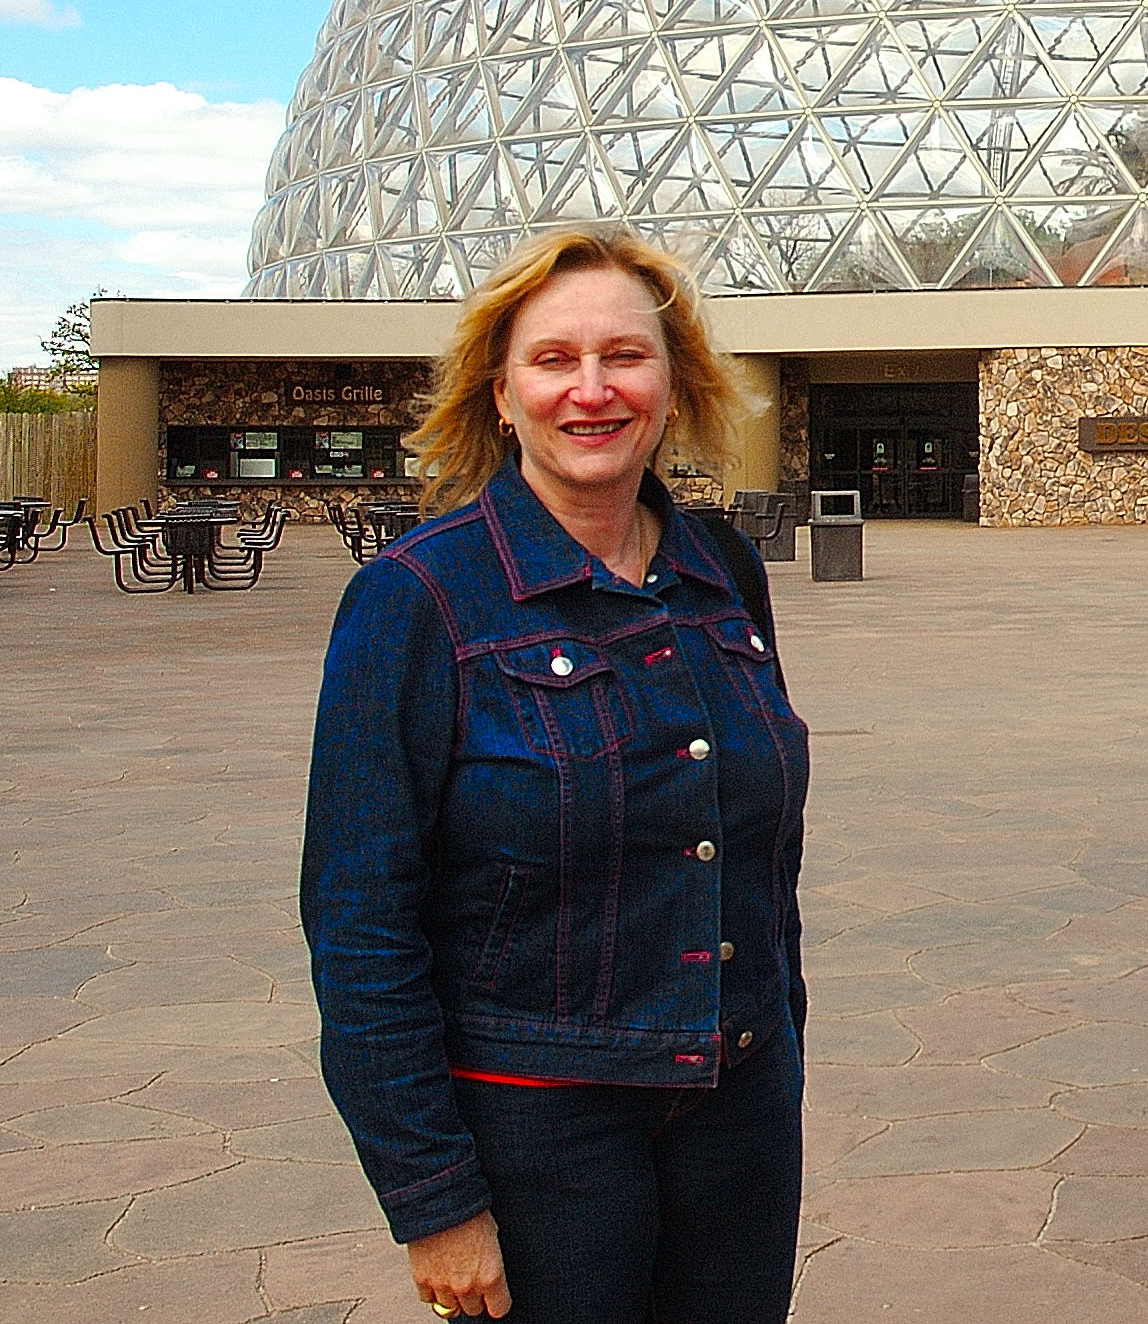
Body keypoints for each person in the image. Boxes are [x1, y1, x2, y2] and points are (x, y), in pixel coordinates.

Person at [301, 226, 807, 1321]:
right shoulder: (417, 599)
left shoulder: (719, 569)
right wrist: (431, 1195)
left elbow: (761, 849)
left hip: (737, 1107)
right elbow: (358, 918)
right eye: (553, 359)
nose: (592, 389)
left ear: (674, 385)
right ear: (498, 394)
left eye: (625, 356)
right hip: (540, 1125)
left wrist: (781, 1034)